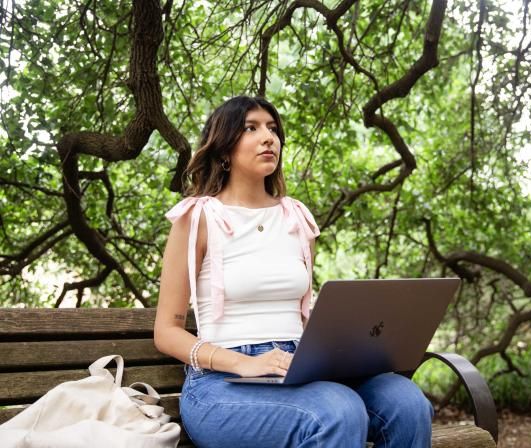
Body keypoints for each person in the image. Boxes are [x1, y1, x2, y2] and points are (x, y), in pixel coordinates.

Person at [154, 96, 433, 447]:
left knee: (406, 402)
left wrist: (344, 351)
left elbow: (303, 317)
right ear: (224, 149)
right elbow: (166, 332)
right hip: (220, 382)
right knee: (337, 412)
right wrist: (241, 362)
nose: (268, 137)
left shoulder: (296, 217)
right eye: (250, 129)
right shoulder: (197, 218)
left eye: (273, 129)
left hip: (299, 368)